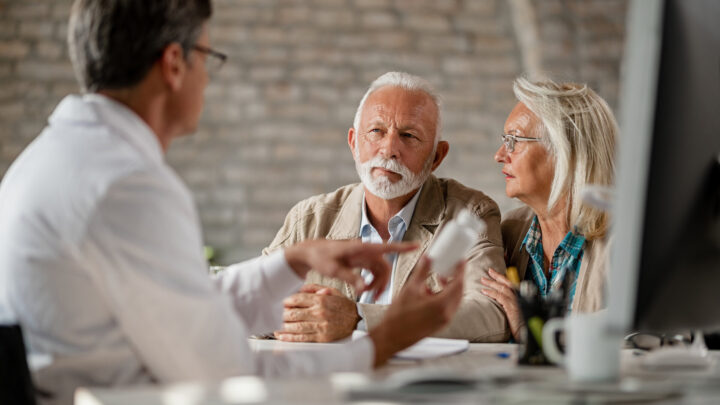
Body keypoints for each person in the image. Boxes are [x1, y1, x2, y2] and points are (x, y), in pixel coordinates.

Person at [0, 1, 466, 404]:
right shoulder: (128, 186)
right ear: (174, 64)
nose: (208, 76)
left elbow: (182, 309)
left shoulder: (54, 159)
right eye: (208, 56)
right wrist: (383, 341)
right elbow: (231, 379)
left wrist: (292, 262)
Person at [264, 72, 509, 343]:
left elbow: (491, 315)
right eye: (376, 131)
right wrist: (292, 318)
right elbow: (249, 303)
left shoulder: (470, 215)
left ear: (437, 156)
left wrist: (359, 319)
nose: (389, 149)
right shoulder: (309, 218)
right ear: (353, 142)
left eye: (408, 135)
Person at [480, 78, 617, 341]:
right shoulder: (508, 231)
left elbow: (633, 333)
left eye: (514, 141)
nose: (499, 155)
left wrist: (531, 330)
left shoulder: (625, 243)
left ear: (566, 152)